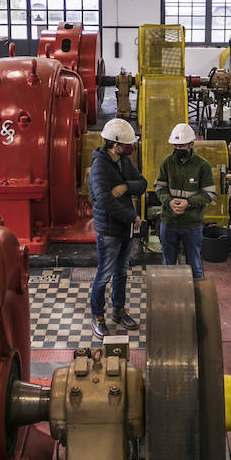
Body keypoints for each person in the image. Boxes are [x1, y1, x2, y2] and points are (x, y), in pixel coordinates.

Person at [88, 118, 147, 339]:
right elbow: (104, 201)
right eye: (126, 145)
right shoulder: (99, 167)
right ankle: (98, 317)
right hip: (110, 231)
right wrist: (132, 216)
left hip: (125, 228)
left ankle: (118, 311)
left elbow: (142, 183)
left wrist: (125, 186)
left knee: (121, 272)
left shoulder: (122, 162)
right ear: (115, 145)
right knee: (104, 275)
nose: (130, 148)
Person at [154, 123, 215, 280]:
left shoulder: (202, 166)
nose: (178, 149)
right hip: (169, 221)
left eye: (182, 146)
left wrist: (189, 203)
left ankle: (197, 299)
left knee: (194, 264)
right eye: (175, 145)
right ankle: (170, 296)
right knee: (168, 263)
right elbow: (159, 187)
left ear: (191, 144)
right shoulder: (167, 163)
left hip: (192, 223)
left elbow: (209, 194)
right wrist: (169, 202)